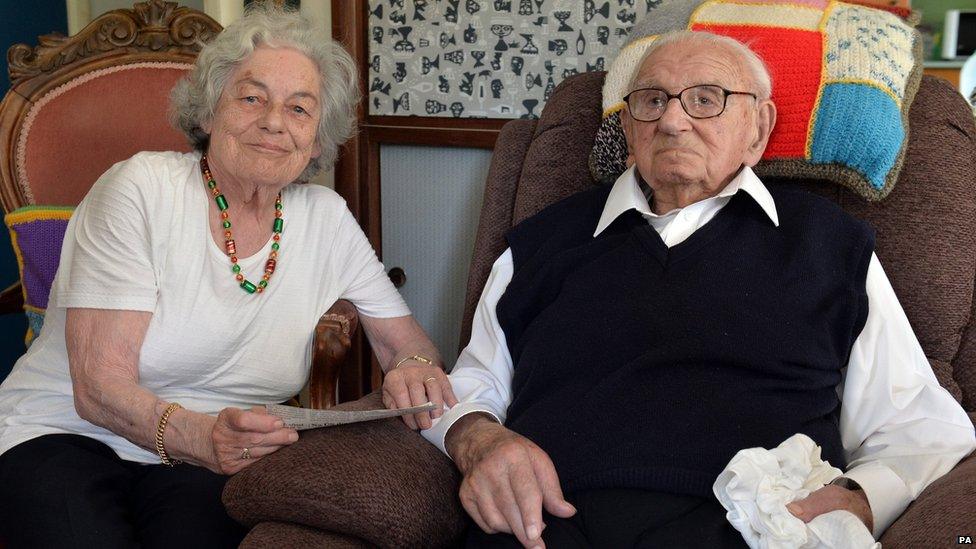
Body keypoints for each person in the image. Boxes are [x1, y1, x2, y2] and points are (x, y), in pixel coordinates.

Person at [410, 31, 976, 548]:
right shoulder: (540, 244)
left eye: (706, 99)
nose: (674, 122)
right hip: (546, 523)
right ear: (628, 129)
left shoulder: (830, 248)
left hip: (744, 526)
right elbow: (473, 384)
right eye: (652, 101)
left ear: (758, 128)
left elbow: (919, 425)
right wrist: (479, 440)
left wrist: (860, 497)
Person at [0, 4, 454, 547]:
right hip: (65, 436)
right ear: (210, 111)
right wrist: (202, 435)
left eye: (300, 109)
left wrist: (414, 368)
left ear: (317, 136)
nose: (273, 122)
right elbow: (98, 390)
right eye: (252, 97)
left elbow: (410, 347)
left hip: (212, 461)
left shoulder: (325, 217)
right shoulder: (141, 189)